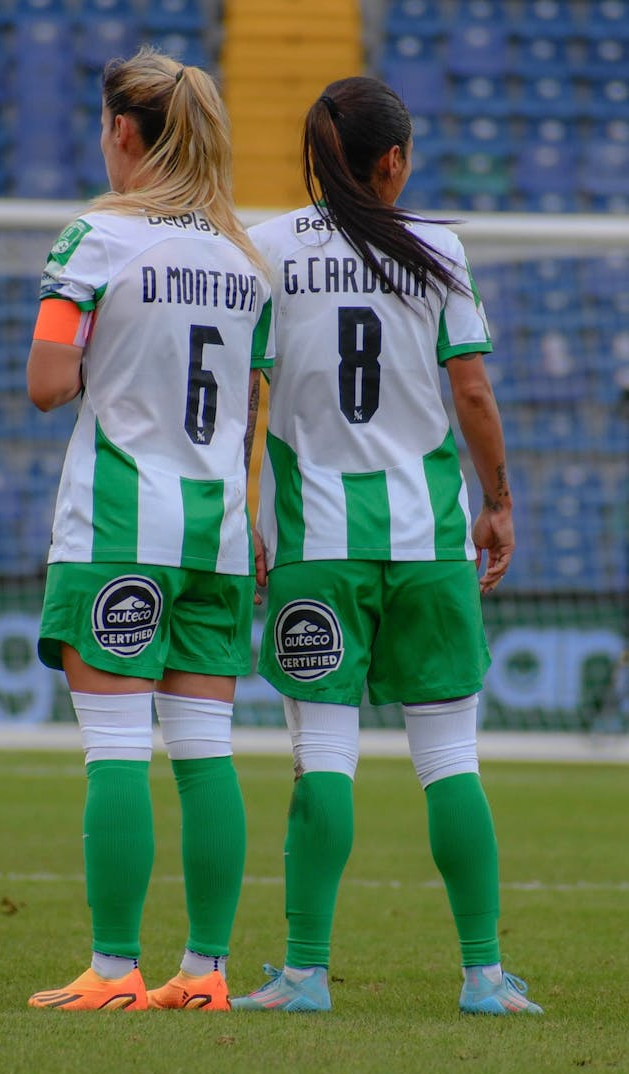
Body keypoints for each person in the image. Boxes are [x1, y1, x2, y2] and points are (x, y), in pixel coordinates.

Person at [231, 76, 542, 1016]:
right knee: (450, 761)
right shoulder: (438, 250)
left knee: (322, 759)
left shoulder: (270, 249)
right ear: (394, 160)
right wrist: (497, 501)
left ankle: (305, 975)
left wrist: (244, 515)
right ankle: (484, 977)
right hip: (429, 546)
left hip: (316, 544)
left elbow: (250, 397)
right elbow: (475, 395)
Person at [25, 47, 273, 1012]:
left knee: (118, 746)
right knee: (207, 751)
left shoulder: (97, 237)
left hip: (121, 526)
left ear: (122, 132)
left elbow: (48, 383)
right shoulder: (242, 256)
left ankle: (115, 969)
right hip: (217, 528)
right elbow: (252, 404)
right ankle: (207, 971)